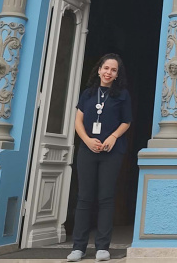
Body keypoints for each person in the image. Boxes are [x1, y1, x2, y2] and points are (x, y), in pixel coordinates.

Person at [67, 54, 132, 262]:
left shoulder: (122, 95)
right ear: (99, 70)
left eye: (113, 70)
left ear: (117, 75)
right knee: (84, 197)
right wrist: (86, 140)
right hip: (88, 150)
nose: (108, 72)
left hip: (111, 152)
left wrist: (113, 137)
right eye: (106, 68)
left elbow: (126, 121)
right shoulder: (87, 94)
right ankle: (78, 247)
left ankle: (103, 247)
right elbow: (78, 120)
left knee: (106, 197)